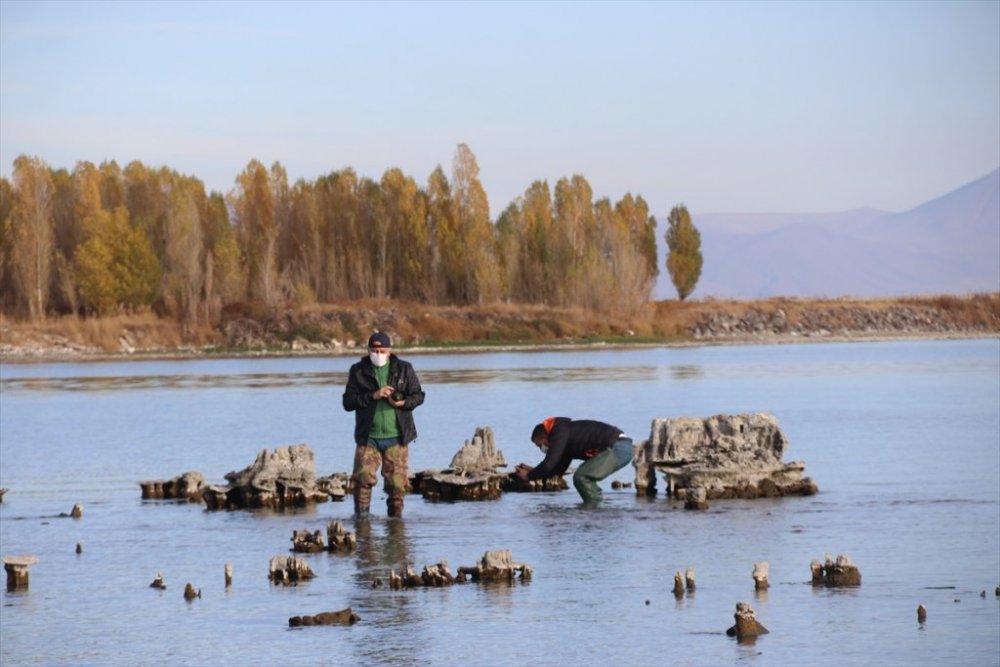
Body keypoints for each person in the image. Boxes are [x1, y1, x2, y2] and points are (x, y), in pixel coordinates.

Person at [343, 331, 425, 518]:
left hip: (397, 437)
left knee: (397, 486)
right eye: (374, 349)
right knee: (362, 481)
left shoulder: (404, 368)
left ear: (389, 350)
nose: (378, 353)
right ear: (368, 349)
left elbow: (419, 396)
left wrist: (402, 403)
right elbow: (348, 402)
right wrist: (373, 396)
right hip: (368, 438)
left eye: (382, 350)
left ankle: (396, 528)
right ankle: (362, 521)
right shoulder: (358, 370)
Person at [515, 417, 633, 504]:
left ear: (546, 436)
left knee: (582, 477)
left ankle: (595, 511)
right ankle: (598, 507)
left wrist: (528, 476)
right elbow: (556, 469)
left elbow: (549, 463)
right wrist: (534, 471)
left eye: (540, 445)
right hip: (620, 447)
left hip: (619, 447)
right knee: (582, 476)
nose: (542, 448)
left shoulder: (560, 431)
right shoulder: (565, 441)